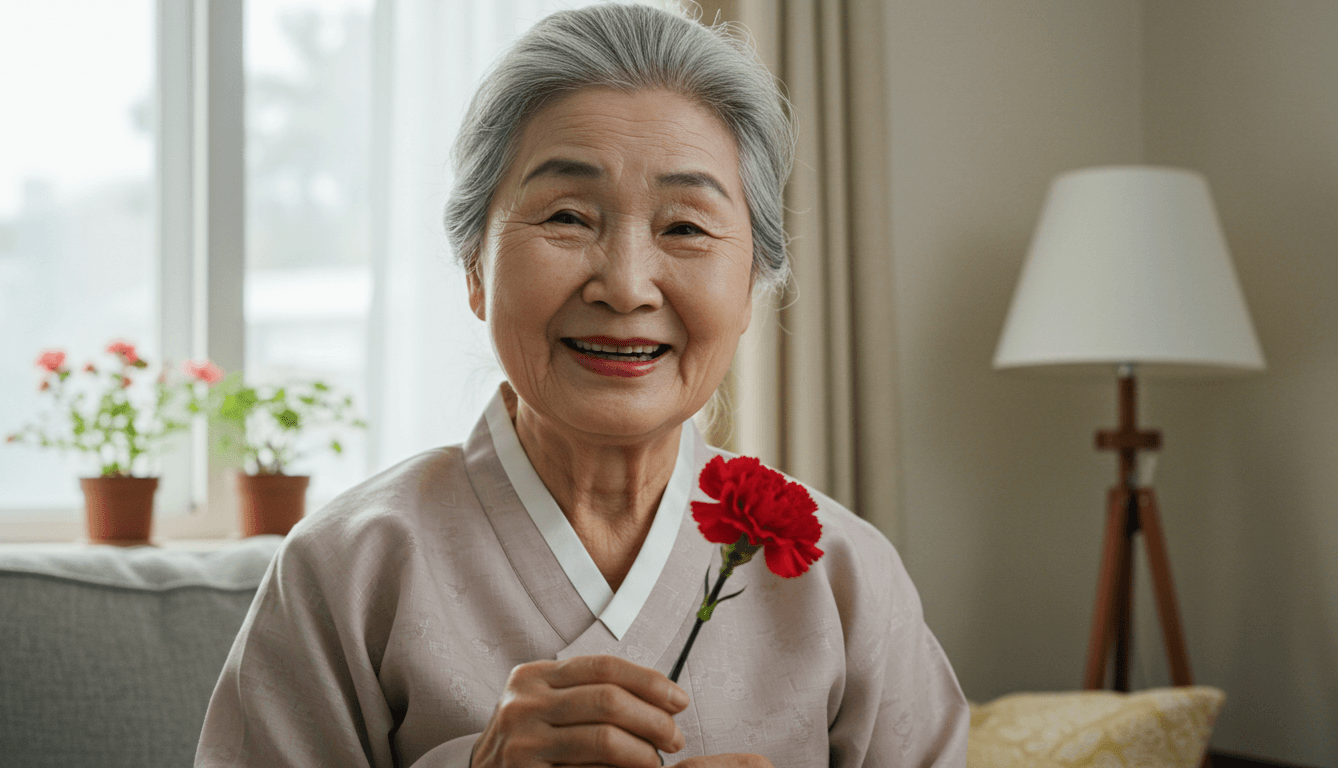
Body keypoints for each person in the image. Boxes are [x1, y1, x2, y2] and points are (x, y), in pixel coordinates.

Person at [195, 4, 969, 767]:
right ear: (475, 269)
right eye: (567, 216)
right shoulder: (347, 569)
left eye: (685, 228)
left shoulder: (842, 575)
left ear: (750, 291)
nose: (627, 286)